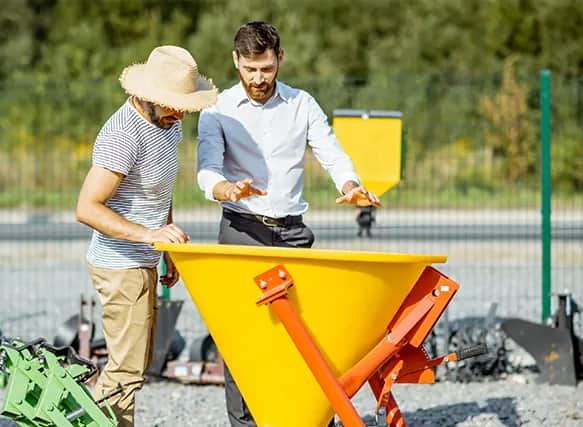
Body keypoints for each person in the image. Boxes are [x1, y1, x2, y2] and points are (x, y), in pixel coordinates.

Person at [195, 21, 381, 426]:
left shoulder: (302, 104)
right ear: (236, 61)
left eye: (266, 68)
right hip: (241, 232)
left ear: (280, 59)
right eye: (250, 69)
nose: (258, 79)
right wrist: (227, 189)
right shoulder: (217, 109)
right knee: (241, 339)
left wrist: (351, 186)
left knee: (306, 337)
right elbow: (207, 169)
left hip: (293, 234)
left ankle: (309, 420)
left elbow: (331, 152)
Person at [75, 45, 217, 426]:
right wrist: (150, 234)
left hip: (144, 258)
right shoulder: (123, 135)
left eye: (185, 106)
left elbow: (159, 190)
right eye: (174, 105)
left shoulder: (168, 123)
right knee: (125, 372)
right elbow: (87, 208)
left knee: (134, 366)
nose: (181, 113)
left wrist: (165, 246)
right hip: (119, 265)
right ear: (148, 96)